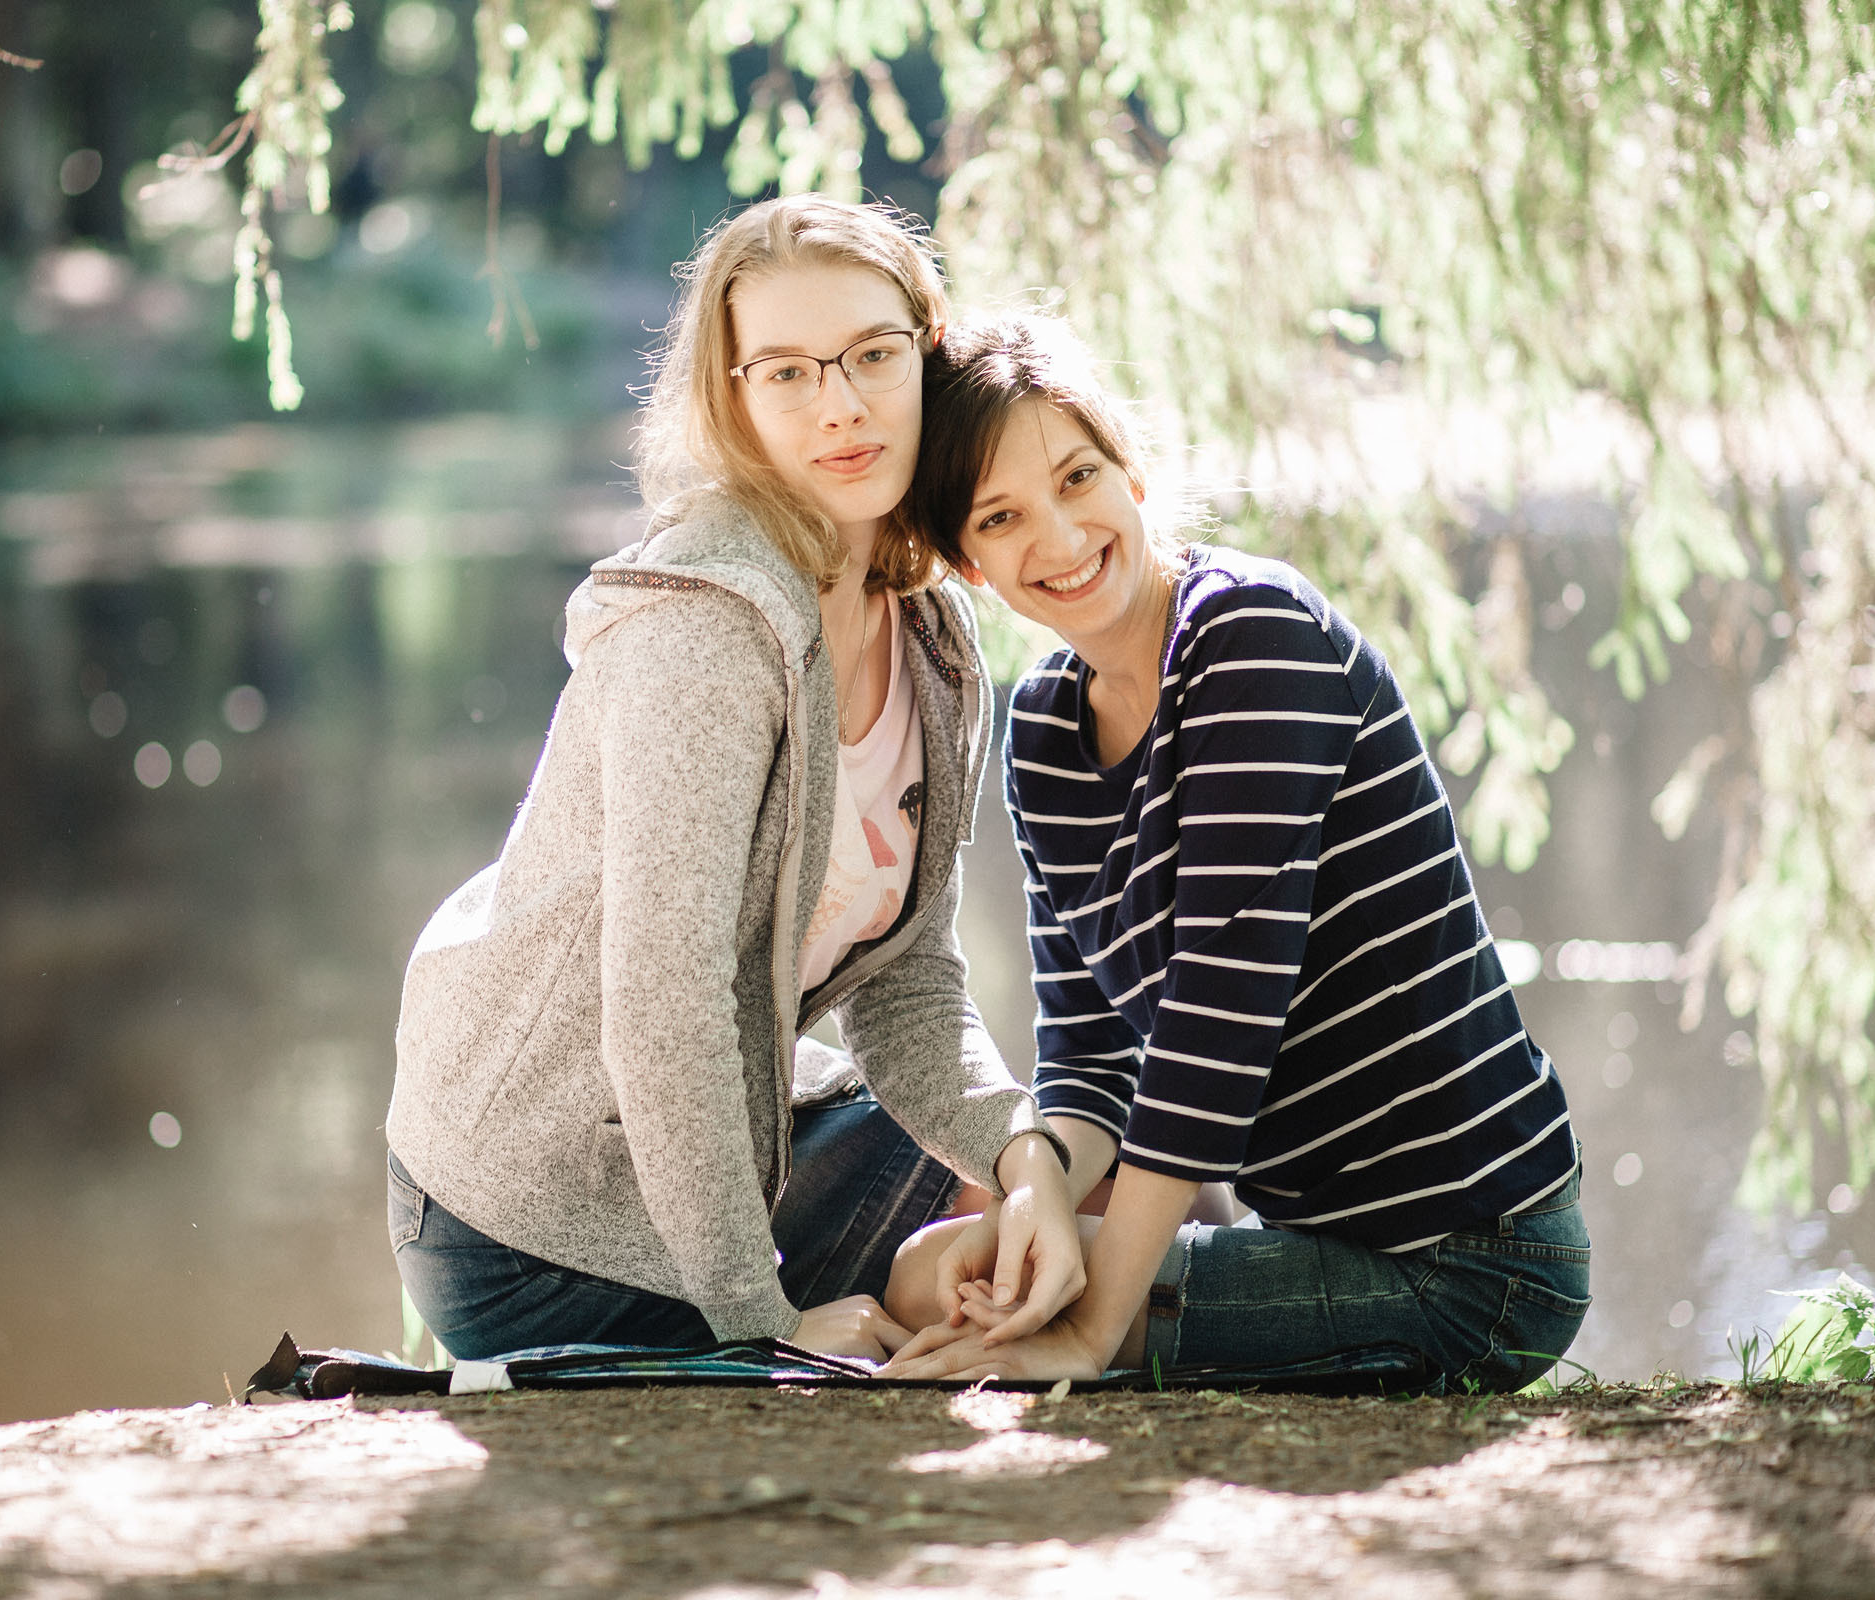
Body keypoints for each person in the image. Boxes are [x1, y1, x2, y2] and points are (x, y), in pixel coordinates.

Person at [384, 200, 1083, 1363]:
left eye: (872, 354)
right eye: (789, 372)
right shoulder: (708, 632)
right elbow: (665, 1005)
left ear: (930, 347)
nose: (842, 405)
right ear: (734, 396)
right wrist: (765, 1326)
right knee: (1067, 1255)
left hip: (719, 1146)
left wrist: (1023, 1151)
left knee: (1062, 1184)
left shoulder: (934, 633)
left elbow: (910, 984)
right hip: (527, 1216)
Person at [880, 314, 1588, 1390]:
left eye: (1079, 477)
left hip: (1473, 1260)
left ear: (1135, 475)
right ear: (971, 565)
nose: (1061, 537)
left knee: (1033, 1327)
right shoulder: (1042, 733)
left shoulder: (1255, 637)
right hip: (1322, 1237)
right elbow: (1092, 1056)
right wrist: (1041, 1202)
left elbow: (1219, 1026)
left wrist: (1087, 1323)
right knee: (932, 1273)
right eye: (1003, 516)